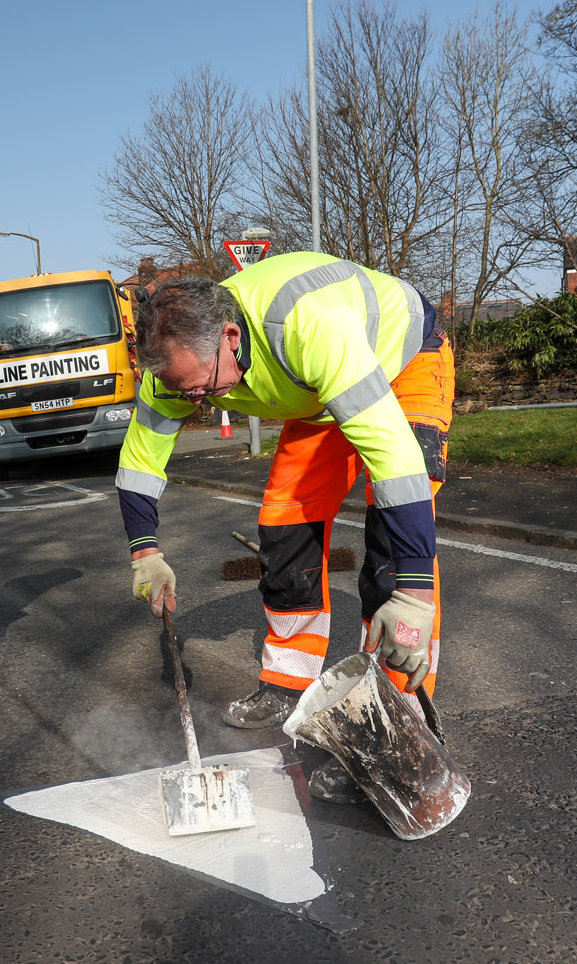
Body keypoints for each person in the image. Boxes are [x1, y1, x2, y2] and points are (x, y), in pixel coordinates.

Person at [116, 252, 452, 802]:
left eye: (202, 389)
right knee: (284, 522)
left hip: (403, 363)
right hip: (318, 396)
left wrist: (413, 592)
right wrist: (144, 552)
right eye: (183, 394)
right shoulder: (173, 367)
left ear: (229, 337)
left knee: (393, 547)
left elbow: (397, 462)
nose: (195, 405)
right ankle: (289, 681)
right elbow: (139, 463)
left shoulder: (307, 323)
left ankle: (399, 732)